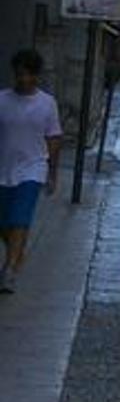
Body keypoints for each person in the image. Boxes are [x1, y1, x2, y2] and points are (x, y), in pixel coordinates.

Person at [0, 49, 64, 295]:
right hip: (4, 167)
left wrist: (52, 172)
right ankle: (17, 254)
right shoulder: (2, 99)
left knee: (19, 218)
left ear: (36, 75)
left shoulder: (47, 104)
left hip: (33, 168)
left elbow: (54, 137)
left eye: (27, 74)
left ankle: (9, 271)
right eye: (19, 74)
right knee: (4, 222)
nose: (23, 79)